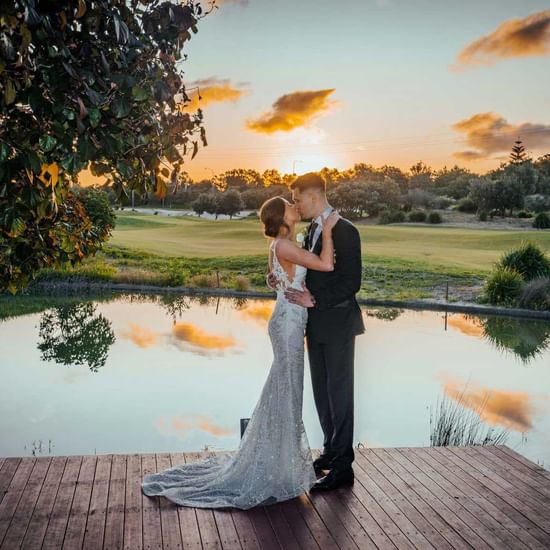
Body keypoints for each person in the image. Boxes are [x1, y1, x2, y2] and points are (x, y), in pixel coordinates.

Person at [141, 196, 340, 509]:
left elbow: (272, 275)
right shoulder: (284, 245)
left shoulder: (280, 244)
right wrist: (328, 230)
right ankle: (276, 469)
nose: (294, 205)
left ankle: (278, 466)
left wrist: (277, 280)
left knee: (284, 391)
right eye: (289, 204)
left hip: (287, 319)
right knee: (286, 391)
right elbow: (326, 265)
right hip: (288, 323)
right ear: (281, 216)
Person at [278, 172, 365, 491]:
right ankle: (330, 452)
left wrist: (313, 299)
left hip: (339, 325)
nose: (296, 205)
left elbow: (350, 282)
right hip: (314, 325)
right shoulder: (314, 229)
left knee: (340, 396)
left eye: (298, 198)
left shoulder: (345, 230)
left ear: (314, 197)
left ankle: (343, 468)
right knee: (322, 394)